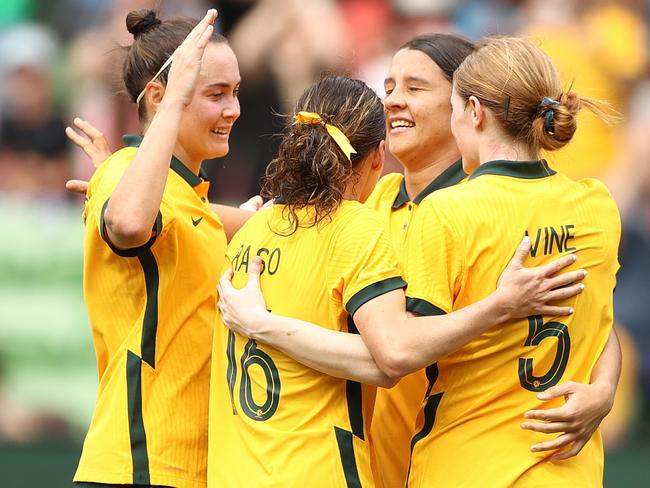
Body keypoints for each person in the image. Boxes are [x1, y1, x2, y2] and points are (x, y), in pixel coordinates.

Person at [211, 74, 586, 486]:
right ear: (377, 155)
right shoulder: (355, 225)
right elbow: (389, 356)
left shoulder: (253, 230)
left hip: (236, 470)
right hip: (315, 468)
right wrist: (501, 304)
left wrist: (262, 325)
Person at [401, 35, 620, 486]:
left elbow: (403, 347)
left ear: (475, 112)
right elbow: (601, 324)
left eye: (455, 111)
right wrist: (605, 389)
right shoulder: (597, 205)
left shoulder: (448, 211)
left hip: (468, 465)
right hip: (568, 471)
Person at [73, 9, 239, 487]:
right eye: (214, 93)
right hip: (140, 467)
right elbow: (126, 223)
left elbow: (269, 224)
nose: (234, 109)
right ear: (160, 96)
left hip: (194, 471)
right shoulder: (125, 171)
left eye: (235, 92)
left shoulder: (192, 199)